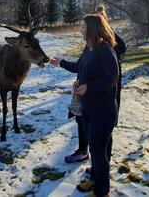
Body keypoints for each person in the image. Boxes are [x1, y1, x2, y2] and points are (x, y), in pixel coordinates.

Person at [50, 13, 120, 197]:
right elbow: (80, 67)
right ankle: (94, 179)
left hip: (103, 111)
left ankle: (102, 192)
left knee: (97, 151)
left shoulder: (106, 50)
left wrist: (89, 87)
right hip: (88, 108)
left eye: (83, 27)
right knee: (96, 148)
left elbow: (112, 78)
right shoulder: (89, 48)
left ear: (92, 29)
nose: (81, 29)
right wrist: (61, 63)